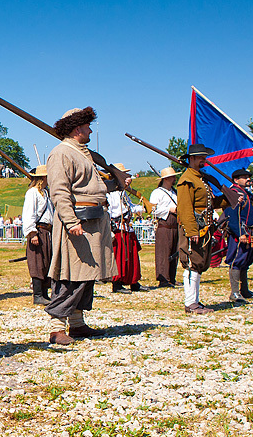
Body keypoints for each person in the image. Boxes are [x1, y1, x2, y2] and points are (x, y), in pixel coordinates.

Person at [45, 107, 116, 341]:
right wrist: (70, 220)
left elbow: (93, 187)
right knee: (70, 276)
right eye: (87, 126)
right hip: (77, 223)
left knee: (86, 275)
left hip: (93, 221)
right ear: (78, 129)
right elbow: (59, 191)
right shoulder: (61, 153)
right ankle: (56, 328)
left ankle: (77, 323)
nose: (90, 130)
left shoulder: (83, 153)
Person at [175, 144, 235, 314]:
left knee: (200, 263)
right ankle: (190, 303)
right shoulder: (187, 179)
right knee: (191, 263)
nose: (203, 160)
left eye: (204, 157)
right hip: (194, 228)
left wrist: (228, 199)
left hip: (204, 227)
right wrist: (192, 230)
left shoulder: (201, 178)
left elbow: (209, 204)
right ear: (191, 159)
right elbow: (185, 208)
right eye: (200, 157)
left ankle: (194, 301)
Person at [106, 164, 144, 293]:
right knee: (119, 256)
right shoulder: (110, 194)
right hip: (118, 228)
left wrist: (143, 208)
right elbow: (109, 211)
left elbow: (131, 207)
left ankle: (133, 281)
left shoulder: (123, 193)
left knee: (131, 255)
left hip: (126, 228)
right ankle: (117, 284)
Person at [20, 165, 54, 306]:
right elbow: (29, 213)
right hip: (37, 231)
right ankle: (38, 295)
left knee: (46, 262)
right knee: (37, 263)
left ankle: (45, 293)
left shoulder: (45, 193)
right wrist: (32, 233)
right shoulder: (32, 193)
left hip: (47, 231)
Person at [224, 169, 253, 302]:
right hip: (240, 231)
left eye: (247, 177)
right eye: (244, 177)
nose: (247, 179)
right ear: (236, 180)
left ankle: (244, 290)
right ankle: (235, 292)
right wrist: (240, 233)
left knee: (245, 261)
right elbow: (232, 216)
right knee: (237, 261)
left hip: (248, 230)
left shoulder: (245, 194)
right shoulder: (233, 193)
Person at [149, 167, 180, 287]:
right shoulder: (157, 193)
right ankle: (163, 279)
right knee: (163, 253)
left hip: (175, 224)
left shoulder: (174, 191)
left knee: (174, 252)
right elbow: (153, 210)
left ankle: (172, 277)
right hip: (164, 224)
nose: (174, 179)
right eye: (172, 177)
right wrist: (169, 209)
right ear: (166, 179)